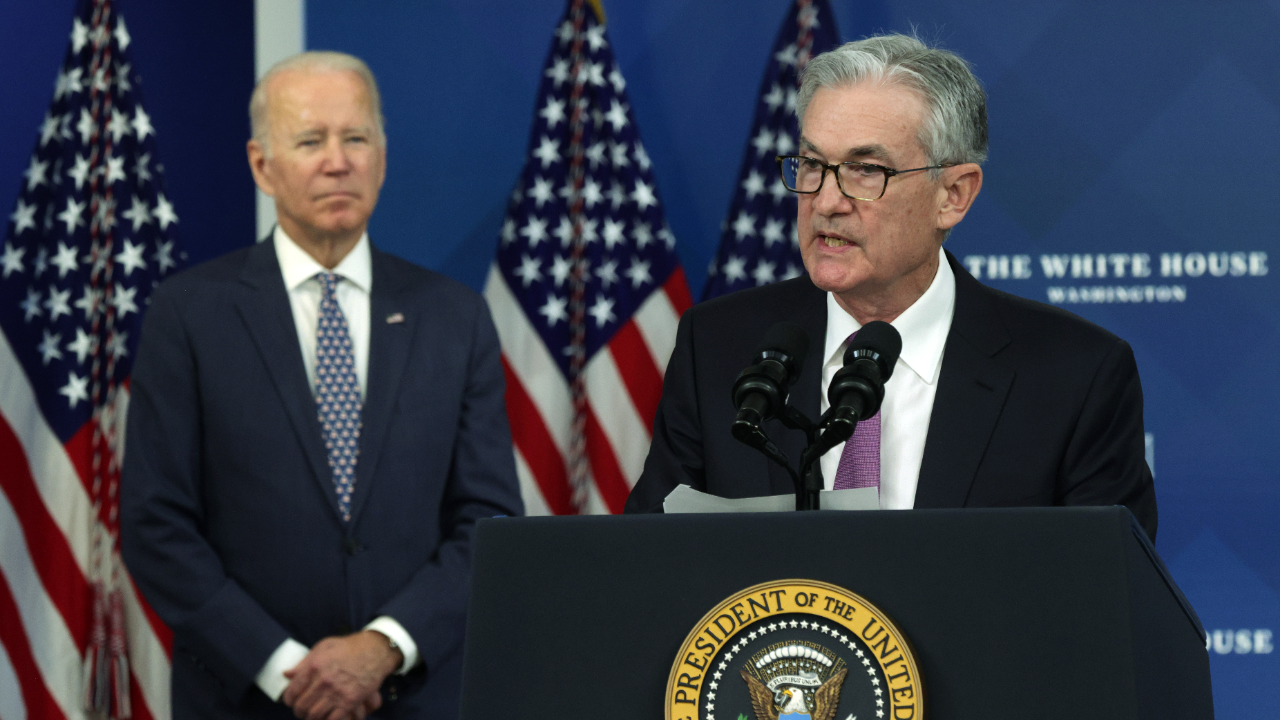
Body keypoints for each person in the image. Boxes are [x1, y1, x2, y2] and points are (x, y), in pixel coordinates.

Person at [624, 35, 1157, 540]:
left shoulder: (1075, 377)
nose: (826, 201)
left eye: (865, 170)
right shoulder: (717, 346)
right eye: (812, 164)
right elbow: (648, 564)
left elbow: (1105, 592)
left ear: (953, 195)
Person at [121, 52, 522, 719]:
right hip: (247, 700)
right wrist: (289, 670)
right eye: (311, 141)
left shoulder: (455, 317)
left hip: (411, 697)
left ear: (382, 159)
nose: (338, 162)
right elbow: (155, 523)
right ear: (262, 166)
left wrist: (383, 648)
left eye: (355, 138)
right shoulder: (188, 315)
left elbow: (490, 520)